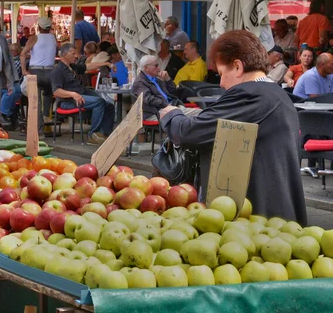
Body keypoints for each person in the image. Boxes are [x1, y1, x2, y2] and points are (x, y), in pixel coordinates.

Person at [159, 29, 306, 224]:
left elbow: (191, 132)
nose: (220, 83)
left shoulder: (251, 94)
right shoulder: (275, 94)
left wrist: (172, 114)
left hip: (263, 216)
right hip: (279, 209)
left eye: (221, 73)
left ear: (237, 66)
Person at [50, 43, 116, 145]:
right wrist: (72, 94)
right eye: (73, 53)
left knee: (109, 105)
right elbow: (56, 91)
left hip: (81, 95)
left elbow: (88, 66)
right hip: (68, 101)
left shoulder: (72, 67)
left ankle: (104, 134)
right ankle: (93, 134)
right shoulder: (58, 71)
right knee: (99, 102)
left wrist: (106, 64)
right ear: (64, 54)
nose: (76, 56)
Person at [21, 17, 57, 132]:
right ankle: (46, 115)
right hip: (50, 71)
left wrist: (24, 71)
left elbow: (22, 54)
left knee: (36, 101)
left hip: (35, 71)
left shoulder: (34, 38)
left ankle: (38, 129)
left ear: (39, 27)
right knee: (48, 93)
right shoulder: (53, 38)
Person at [131, 55, 177, 120]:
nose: (159, 68)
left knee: (194, 115)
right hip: (154, 113)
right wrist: (166, 105)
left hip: (169, 108)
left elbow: (173, 92)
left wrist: (168, 79)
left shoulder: (156, 79)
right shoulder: (140, 82)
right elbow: (149, 99)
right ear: (146, 68)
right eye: (156, 66)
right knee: (193, 117)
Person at [0, 43, 24, 129]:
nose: (12, 52)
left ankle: (3, 114)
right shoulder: (8, 61)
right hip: (7, 84)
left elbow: (13, 75)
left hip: (16, 83)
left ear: (18, 51)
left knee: (11, 93)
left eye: (14, 51)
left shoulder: (18, 62)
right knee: (6, 93)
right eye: (11, 51)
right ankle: (11, 117)